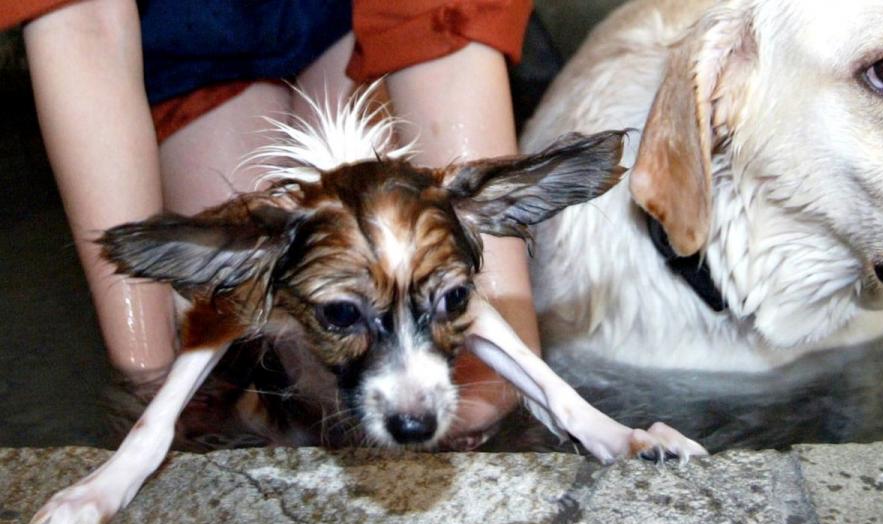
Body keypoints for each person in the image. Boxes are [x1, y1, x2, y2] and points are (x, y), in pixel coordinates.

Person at [4, 0, 538, 447]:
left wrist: (501, 347)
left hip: (349, 24)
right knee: (268, 345)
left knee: (461, 392)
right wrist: (147, 379)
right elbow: (82, 22)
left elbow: (437, 20)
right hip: (183, 35)